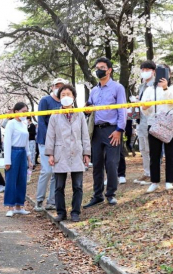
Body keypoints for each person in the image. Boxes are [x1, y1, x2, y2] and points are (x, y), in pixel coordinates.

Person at [84, 57, 127, 207]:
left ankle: (111, 194)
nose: (98, 70)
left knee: (111, 163)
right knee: (97, 164)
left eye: (102, 67)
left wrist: (119, 130)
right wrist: (87, 108)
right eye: (97, 67)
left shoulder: (117, 87)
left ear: (109, 70)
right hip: (96, 130)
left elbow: (122, 110)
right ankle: (97, 195)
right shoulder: (94, 90)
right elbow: (89, 106)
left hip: (112, 130)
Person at [44, 85, 90, 222]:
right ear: (59, 98)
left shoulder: (80, 114)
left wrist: (86, 153)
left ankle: (75, 212)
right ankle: (61, 212)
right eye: (63, 94)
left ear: (73, 97)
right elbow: (50, 136)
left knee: (78, 185)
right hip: (60, 153)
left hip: (76, 152)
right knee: (59, 186)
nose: (65, 97)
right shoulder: (55, 115)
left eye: (68, 94)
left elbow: (85, 135)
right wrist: (50, 154)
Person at [141, 64, 173, 193]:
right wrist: (145, 107)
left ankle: (169, 181)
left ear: (169, 74)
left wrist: (165, 88)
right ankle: (154, 181)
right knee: (154, 154)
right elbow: (143, 107)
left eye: (164, 72)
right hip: (153, 123)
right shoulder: (149, 89)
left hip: (170, 122)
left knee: (170, 153)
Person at [34, 78, 67, 211]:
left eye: (62, 86)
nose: (59, 88)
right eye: (56, 86)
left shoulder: (66, 103)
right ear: (52, 87)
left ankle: (51, 201)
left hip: (60, 143)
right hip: (45, 141)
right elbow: (41, 121)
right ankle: (39, 200)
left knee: (56, 172)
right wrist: (49, 139)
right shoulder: (45, 100)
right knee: (47, 171)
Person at [3, 102, 32, 217]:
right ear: (16, 111)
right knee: (11, 180)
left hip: (22, 153)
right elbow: (7, 142)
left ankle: (19, 205)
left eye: (26, 112)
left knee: (22, 179)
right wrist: (7, 161)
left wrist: (29, 159)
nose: (25, 114)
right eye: (23, 111)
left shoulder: (24, 124)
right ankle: (10, 206)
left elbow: (27, 144)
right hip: (13, 152)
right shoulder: (11, 124)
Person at [132, 61, 156, 185]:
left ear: (153, 71)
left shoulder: (156, 86)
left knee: (151, 147)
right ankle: (147, 173)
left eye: (148, 69)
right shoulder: (141, 86)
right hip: (141, 120)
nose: (145, 72)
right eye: (143, 70)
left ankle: (153, 174)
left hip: (152, 120)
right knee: (143, 148)